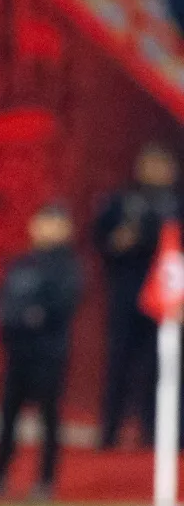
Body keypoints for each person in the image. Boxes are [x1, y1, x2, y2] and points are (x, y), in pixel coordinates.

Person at [0, 203, 83, 502]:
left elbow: (62, 306)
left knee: (48, 416)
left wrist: (34, 316)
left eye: (54, 223)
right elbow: (3, 300)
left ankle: (45, 481)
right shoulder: (22, 263)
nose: (46, 228)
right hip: (17, 350)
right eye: (42, 222)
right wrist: (12, 321)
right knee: (8, 415)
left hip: (48, 352)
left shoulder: (68, 267)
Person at [93, 143, 179, 450]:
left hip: (167, 295)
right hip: (128, 290)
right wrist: (117, 241)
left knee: (164, 363)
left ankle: (157, 432)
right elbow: (101, 238)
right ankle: (110, 431)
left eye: (160, 164)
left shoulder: (176, 204)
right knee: (120, 361)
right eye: (149, 164)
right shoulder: (122, 199)